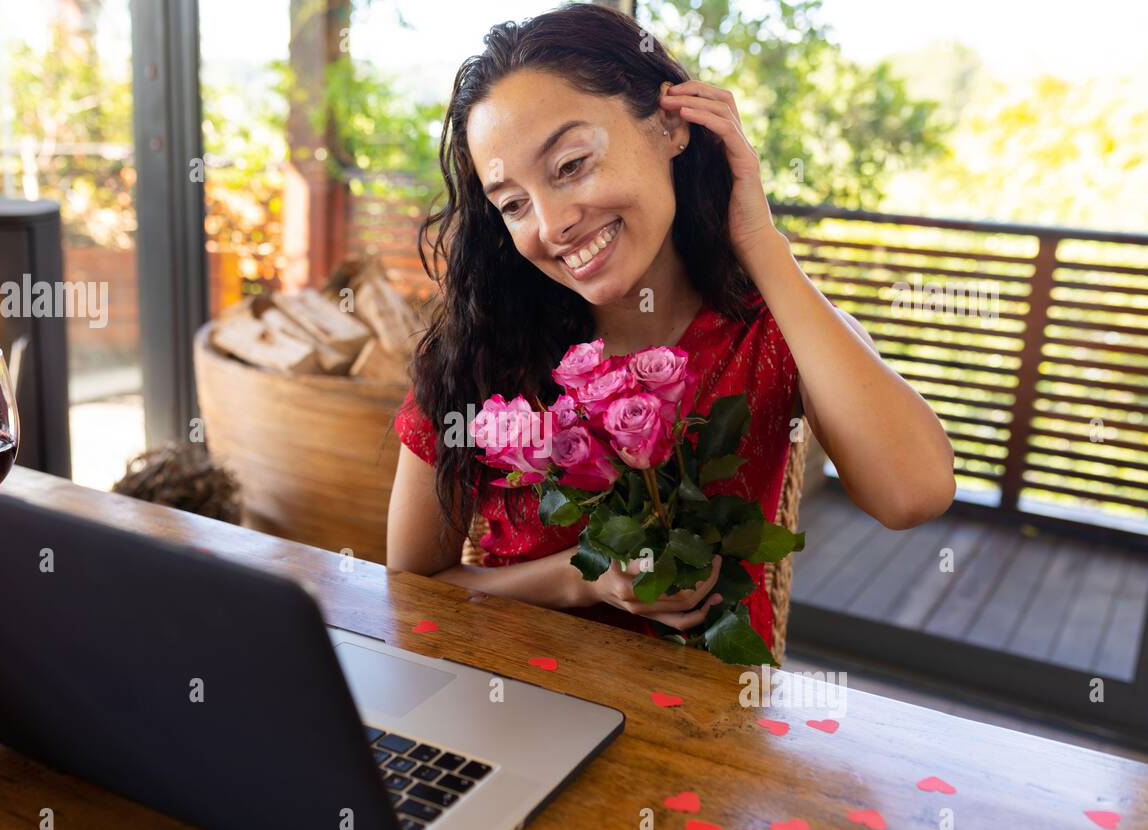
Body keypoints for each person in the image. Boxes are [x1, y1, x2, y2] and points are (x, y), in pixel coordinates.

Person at [386, 3, 955, 648]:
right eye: (513, 204)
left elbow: (914, 494)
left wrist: (760, 241)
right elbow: (412, 586)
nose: (551, 224)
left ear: (669, 126)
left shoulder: (769, 334)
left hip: (704, 728)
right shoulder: (480, 347)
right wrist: (581, 580)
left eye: (571, 165)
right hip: (513, 703)